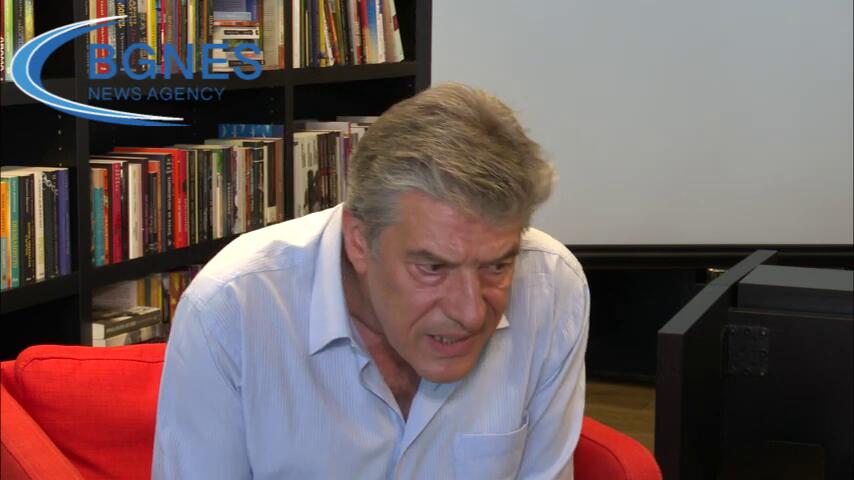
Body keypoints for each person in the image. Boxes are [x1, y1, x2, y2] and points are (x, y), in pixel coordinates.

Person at [152, 83, 590, 479]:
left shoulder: (553, 286)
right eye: (432, 268)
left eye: (496, 267)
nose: (471, 313)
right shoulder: (230, 308)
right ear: (360, 241)